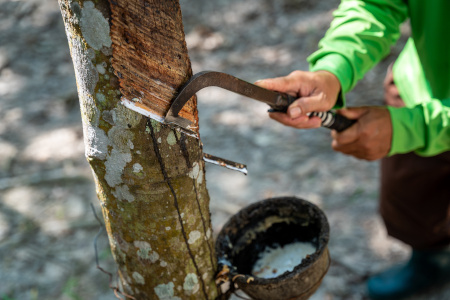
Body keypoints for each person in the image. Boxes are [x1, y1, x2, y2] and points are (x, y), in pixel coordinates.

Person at [255, 0, 450, 299]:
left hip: (420, 116)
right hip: (420, 89)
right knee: (412, 198)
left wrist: (416, 128)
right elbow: (375, 4)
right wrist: (333, 70)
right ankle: (432, 261)